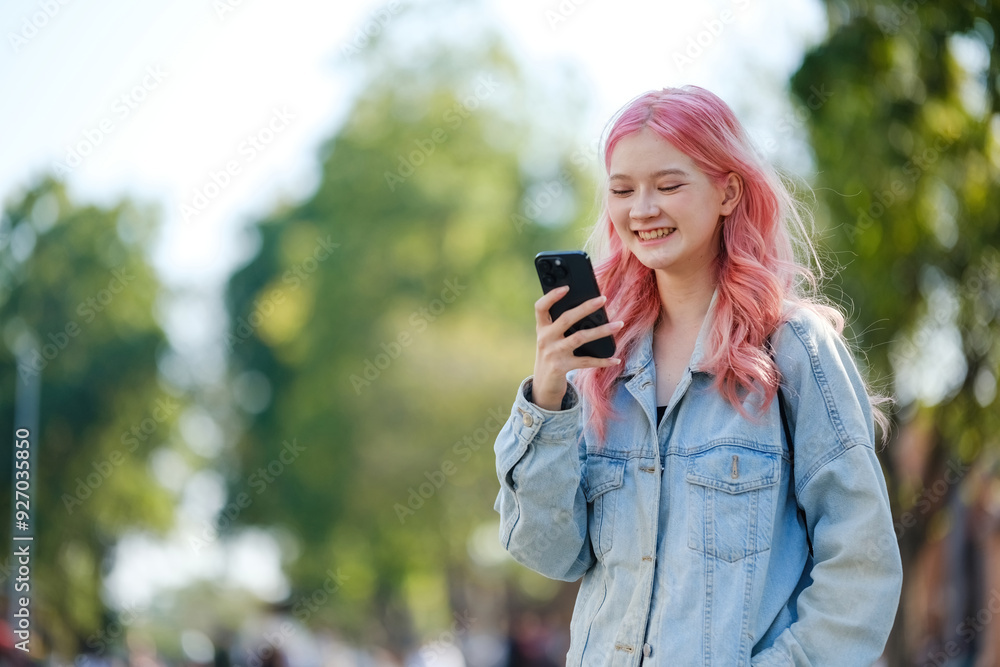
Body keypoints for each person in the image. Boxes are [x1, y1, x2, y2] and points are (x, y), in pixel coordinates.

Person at [492, 86, 903, 666]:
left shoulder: (795, 350)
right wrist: (549, 395)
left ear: (728, 191)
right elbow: (549, 552)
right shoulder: (601, 367)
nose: (642, 209)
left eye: (669, 185)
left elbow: (862, 566)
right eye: (622, 190)